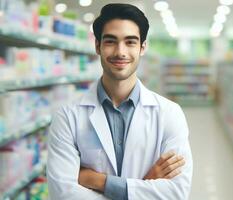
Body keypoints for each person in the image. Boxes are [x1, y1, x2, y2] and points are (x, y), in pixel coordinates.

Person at [46, 3, 193, 200]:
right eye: (110, 41)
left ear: (142, 48)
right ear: (97, 46)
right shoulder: (67, 116)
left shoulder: (169, 114)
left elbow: (176, 193)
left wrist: (98, 181)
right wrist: (145, 183)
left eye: (130, 42)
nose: (120, 52)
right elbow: (63, 194)